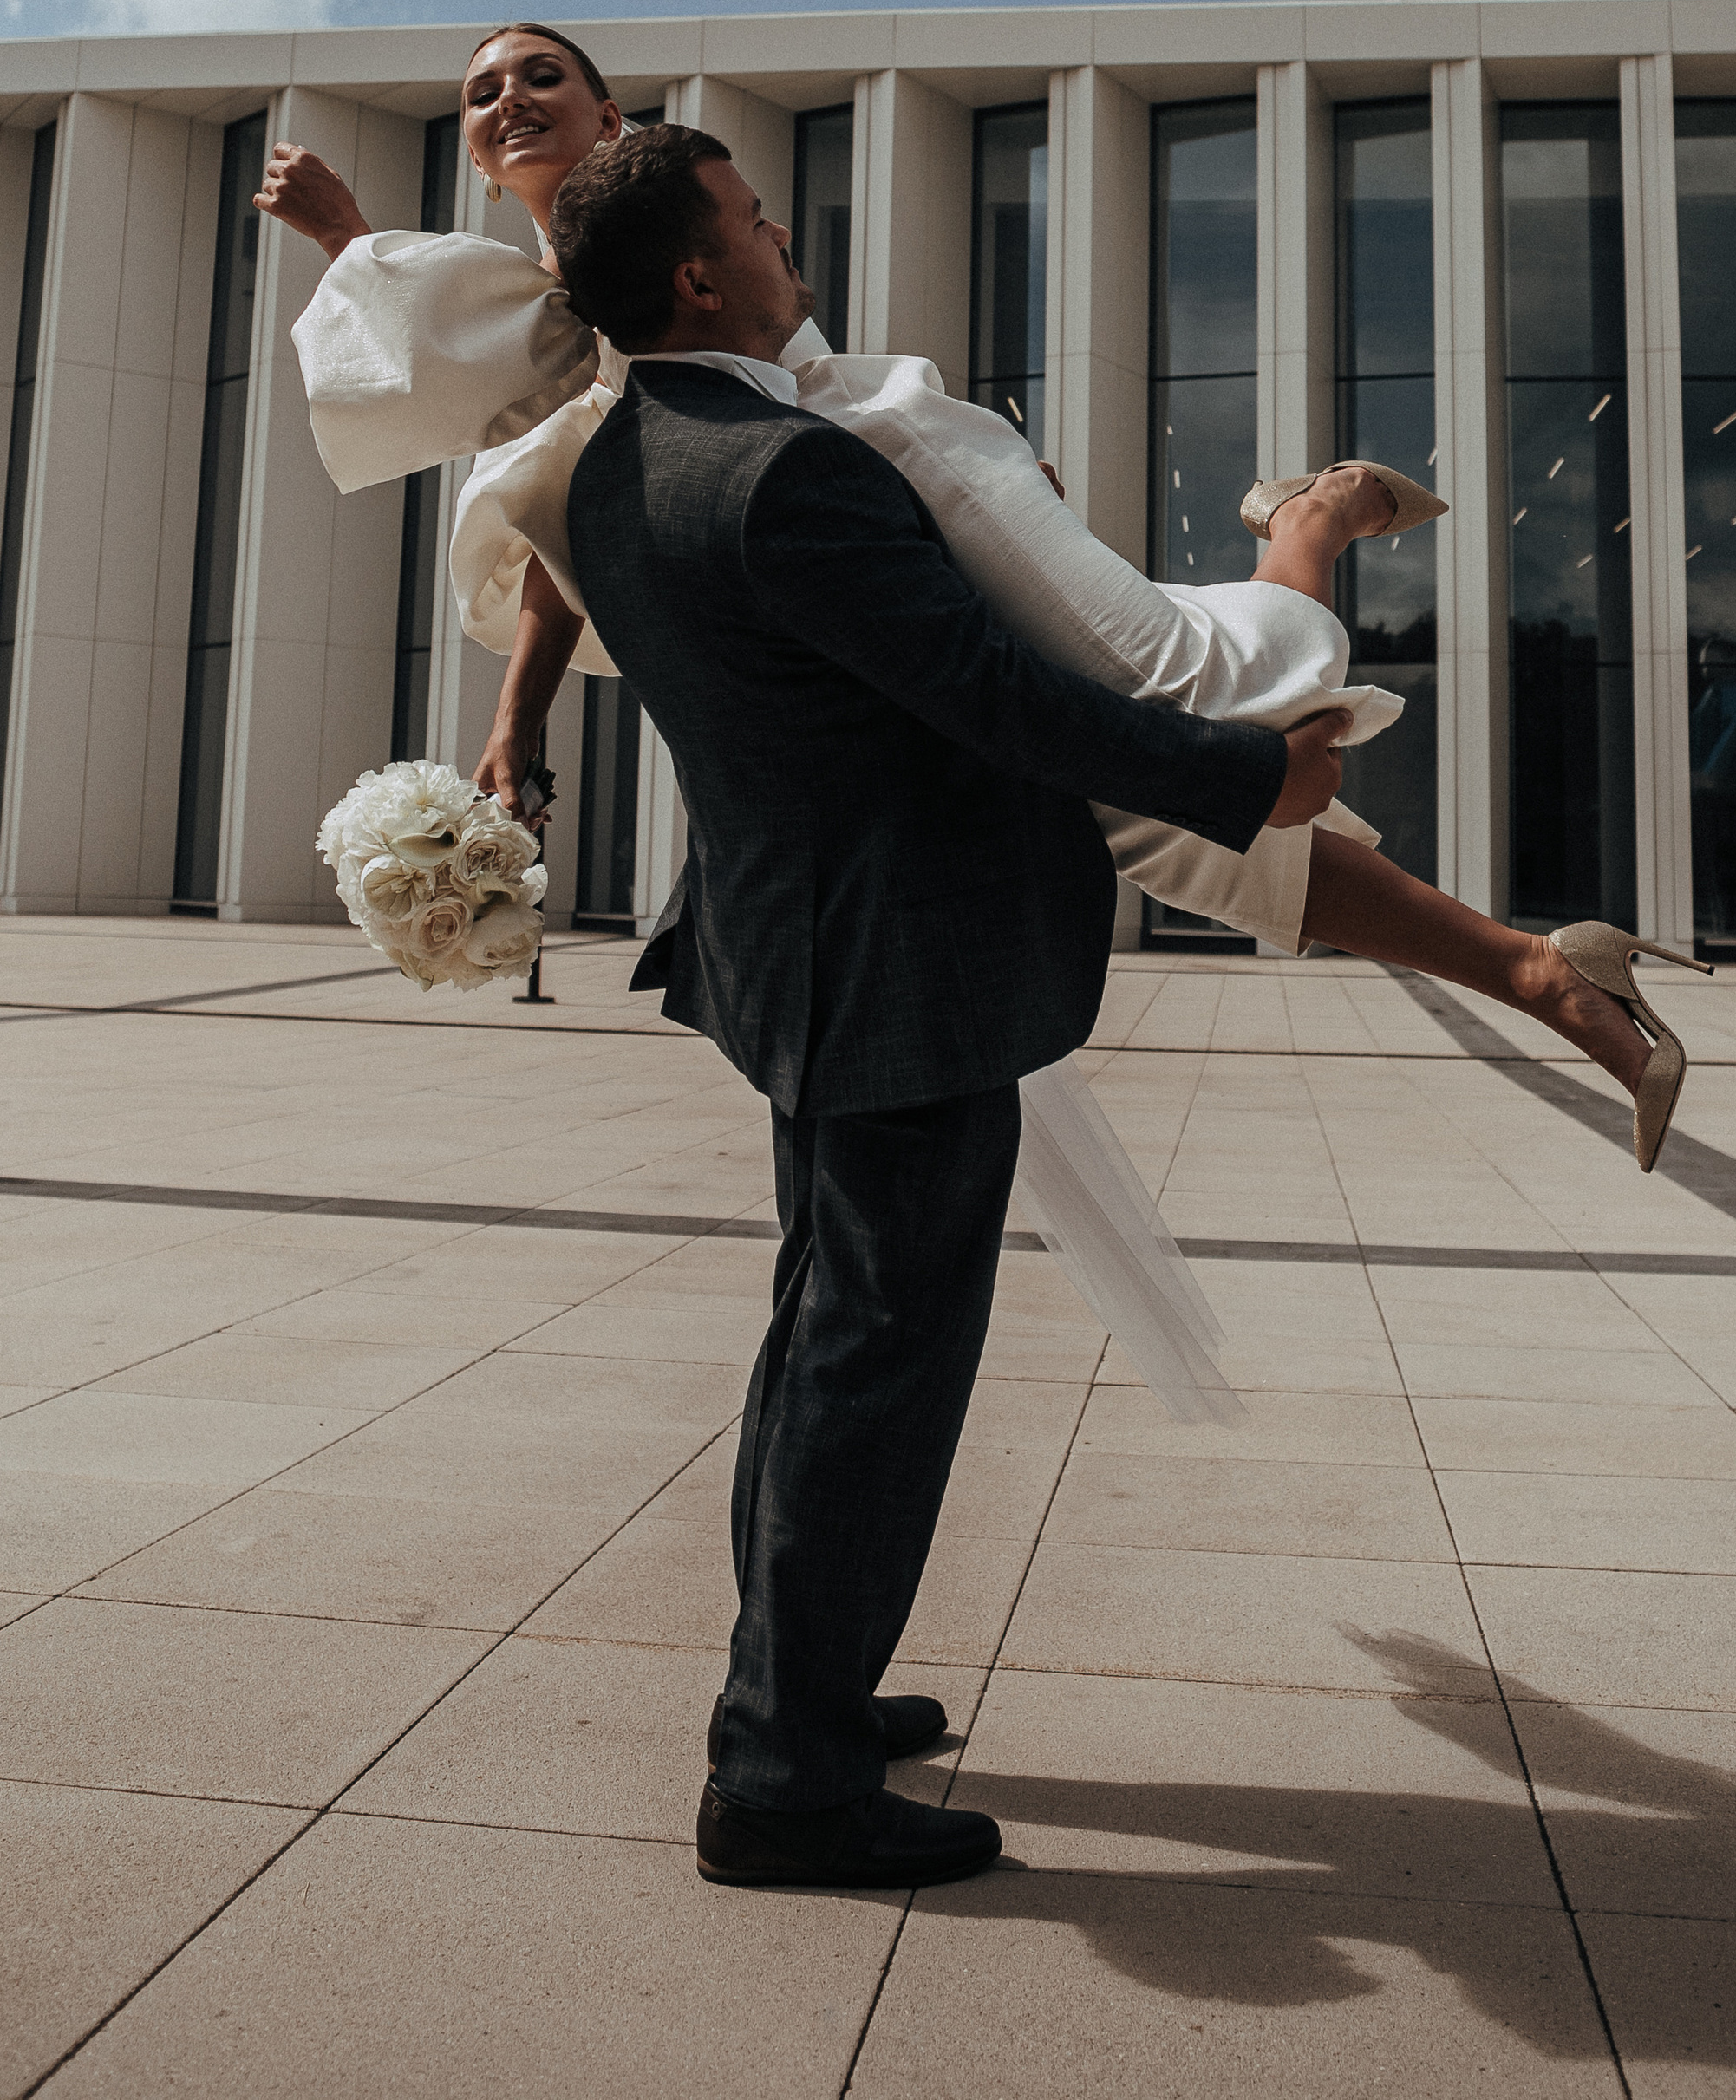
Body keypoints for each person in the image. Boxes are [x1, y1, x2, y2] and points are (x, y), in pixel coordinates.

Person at [262, 23, 1704, 1175]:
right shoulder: (535, 322)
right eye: (483, 91)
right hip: (823, 657)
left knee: (1202, 701)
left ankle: (1309, 523)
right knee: (1148, 813)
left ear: (615, 119)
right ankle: (1537, 969)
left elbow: (477, 351)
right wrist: (517, 725)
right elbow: (558, 538)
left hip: (884, 497)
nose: (508, 98)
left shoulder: (661, 252)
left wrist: (351, 244)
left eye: (540, 75)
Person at [552, 121, 1325, 1888]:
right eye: (754, 221)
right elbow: (993, 693)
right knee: (872, 1359)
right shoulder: (786, 472)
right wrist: (1244, 776)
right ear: (700, 275)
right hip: (894, 964)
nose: (782, 240)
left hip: (800, 951)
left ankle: (801, 1687)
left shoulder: (618, 462)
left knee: (822, 1332)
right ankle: (784, 1777)